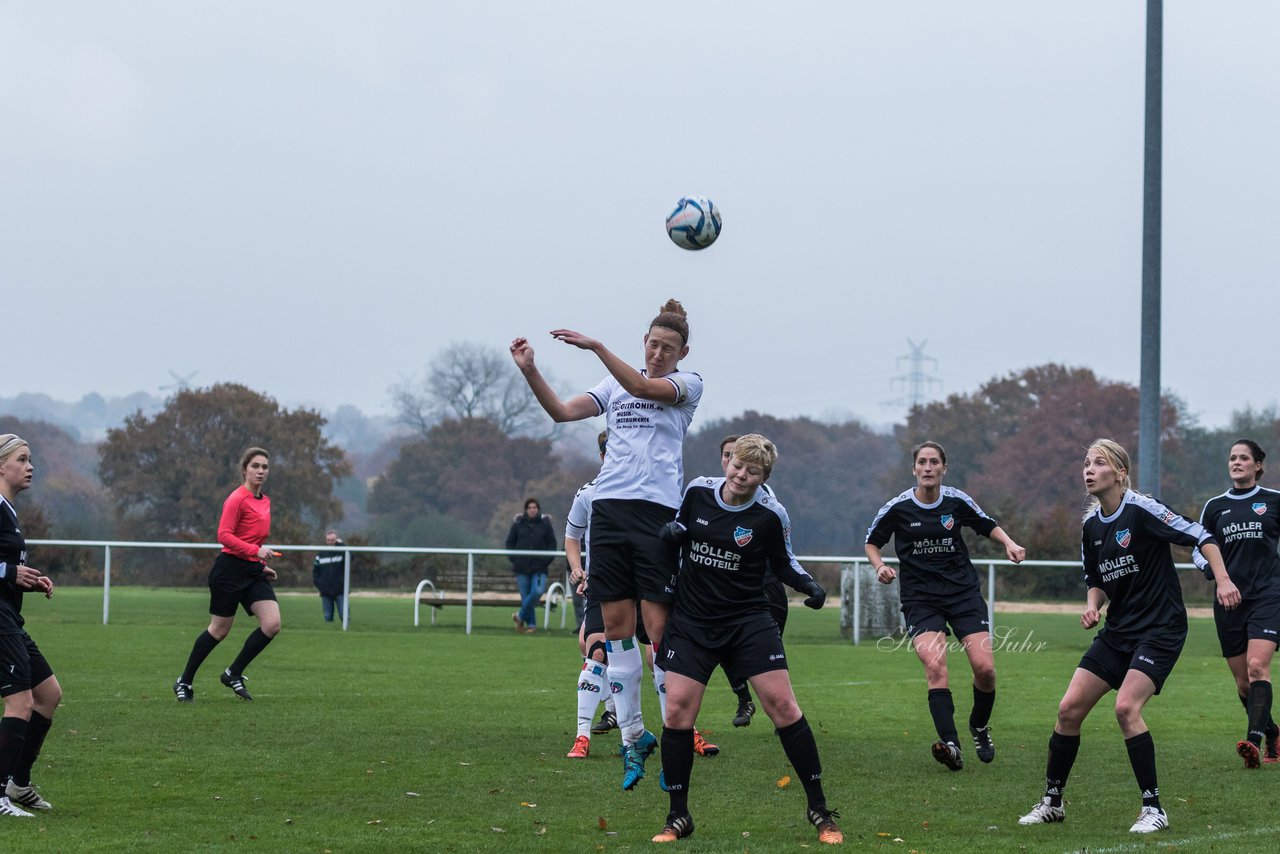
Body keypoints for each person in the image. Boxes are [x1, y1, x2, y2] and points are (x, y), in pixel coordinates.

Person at [511, 298, 701, 790]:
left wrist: (595, 345)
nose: (658, 353)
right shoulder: (613, 383)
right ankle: (633, 736)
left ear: (682, 352)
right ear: (644, 342)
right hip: (610, 514)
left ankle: (680, 733)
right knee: (615, 631)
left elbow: (641, 385)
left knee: (658, 633)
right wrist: (531, 371)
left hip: (657, 515)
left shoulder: (686, 385)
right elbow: (559, 412)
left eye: (668, 348)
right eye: (653, 344)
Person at [1018, 439, 1239, 834]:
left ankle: (1154, 809)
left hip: (1160, 628)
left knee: (1125, 709)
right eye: (1085, 463)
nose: (1088, 469)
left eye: (1098, 462)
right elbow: (1096, 580)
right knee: (1068, 710)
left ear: (1119, 472)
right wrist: (1093, 605)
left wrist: (1223, 580)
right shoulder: (1090, 526)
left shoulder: (1142, 509)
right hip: (1118, 631)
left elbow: (1201, 535)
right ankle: (1052, 801)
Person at [652, 434, 841, 844]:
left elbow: (784, 561)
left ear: (763, 477)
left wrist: (810, 585)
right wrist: (673, 534)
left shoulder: (771, 515)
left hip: (748, 621)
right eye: (737, 465)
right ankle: (678, 817)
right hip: (693, 622)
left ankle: (820, 810)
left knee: (784, 707)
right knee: (678, 713)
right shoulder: (698, 491)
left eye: (752, 471)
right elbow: (682, 529)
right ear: (728, 462)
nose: (741, 475)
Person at [865, 440, 1026, 770]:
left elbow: (985, 523)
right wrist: (880, 566)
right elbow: (872, 541)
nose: (927, 467)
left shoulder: (956, 501)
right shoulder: (897, 508)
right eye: (922, 462)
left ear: (943, 468)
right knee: (935, 667)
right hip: (921, 599)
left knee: (985, 669)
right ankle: (951, 745)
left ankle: (979, 727)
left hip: (963, 595)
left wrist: (1009, 542)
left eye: (934, 462)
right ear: (914, 469)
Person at [1193, 439, 1280, 768]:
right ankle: (1271, 731)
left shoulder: (1274, 501)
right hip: (1229, 601)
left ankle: (1253, 743)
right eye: (1232, 457)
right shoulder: (1215, 507)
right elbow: (1197, 548)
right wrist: (1213, 575)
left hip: (1269, 596)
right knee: (1244, 682)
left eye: (1244, 458)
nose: (1237, 462)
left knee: (1258, 667)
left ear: (1258, 465)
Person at [173, 447, 281, 703]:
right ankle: (184, 681)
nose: (261, 471)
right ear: (245, 470)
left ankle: (233, 673)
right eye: (255, 466)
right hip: (229, 571)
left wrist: (258, 562)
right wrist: (256, 552)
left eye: (265, 467)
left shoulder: (265, 501)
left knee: (272, 624)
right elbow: (224, 536)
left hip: (251, 570)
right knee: (219, 630)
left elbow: (250, 538)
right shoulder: (236, 499)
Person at [716, 434, 796, 728]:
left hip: (765, 583)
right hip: (727, 588)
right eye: (727, 457)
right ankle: (743, 698)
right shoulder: (707, 494)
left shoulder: (767, 501)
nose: (732, 465)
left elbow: (781, 549)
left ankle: (782, 712)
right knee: (724, 647)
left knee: (767, 650)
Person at [0, 435, 59, 818]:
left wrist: (28, 579)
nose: (30, 466)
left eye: (31, 459)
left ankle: (18, 784)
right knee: (19, 702)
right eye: (22, 459)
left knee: (49, 694)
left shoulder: (8, 510)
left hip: (10, 616)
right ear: (1, 465)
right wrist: (7, 571)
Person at [505, 498, 557, 634]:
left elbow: (552, 544)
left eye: (534, 507)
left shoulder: (545, 524)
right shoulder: (518, 524)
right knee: (525, 596)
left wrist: (546, 559)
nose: (532, 510)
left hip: (539, 567)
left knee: (537, 592)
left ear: (538, 509)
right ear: (526, 510)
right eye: (529, 507)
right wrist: (514, 559)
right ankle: (531, 625)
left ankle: (519, 616)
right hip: (521, 566)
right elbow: (510, 542)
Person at [312, 529, 346, 624]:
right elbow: (315, 572)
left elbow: (351, 558)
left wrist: (342, 545)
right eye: (329, 540)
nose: (331, 542)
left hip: (340, 590)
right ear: (326, 541)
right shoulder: (321, 554)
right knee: (328, 617)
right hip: (325, 592)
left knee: (344, 615)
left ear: (337, 540)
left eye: (333, 540)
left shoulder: (342, 552)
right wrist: (320, 585)